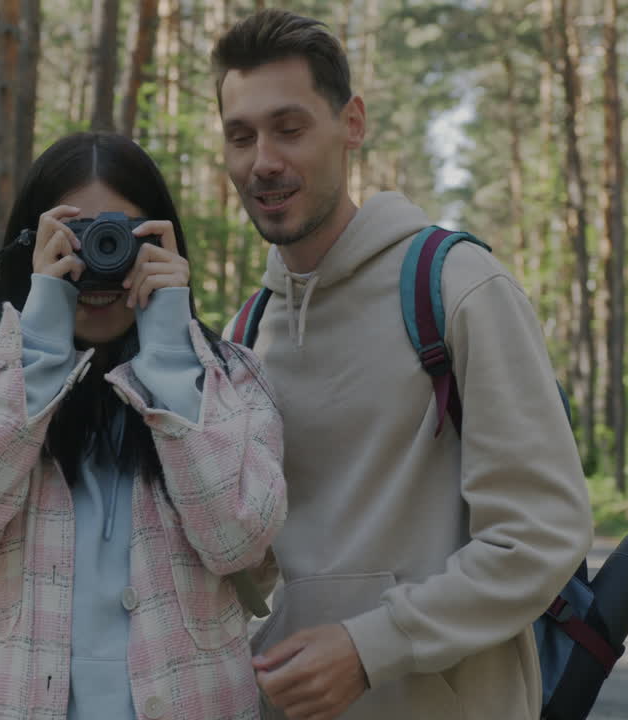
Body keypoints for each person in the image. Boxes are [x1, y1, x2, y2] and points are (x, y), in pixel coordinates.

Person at [211, 10, 594, 720]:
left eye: (289, 128)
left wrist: (372, 646)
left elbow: (539, 535)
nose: (262, 160)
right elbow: (242, 563)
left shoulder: (458, 288)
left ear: (351, 123)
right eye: (242, 136)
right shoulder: (245, 333)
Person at [0, 131, 287, 720]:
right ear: (30, 248)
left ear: (164, 244)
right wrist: (40, 339)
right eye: (72, 239)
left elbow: (234, 540)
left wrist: (170, 353)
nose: (98, 258)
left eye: (122, 238)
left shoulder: (230, 384)